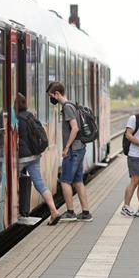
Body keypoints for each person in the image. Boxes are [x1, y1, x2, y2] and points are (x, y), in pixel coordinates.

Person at [46, 81, 93, 222]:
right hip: (80, 148)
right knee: (78, 181)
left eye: (51, 96)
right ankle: (85, 213)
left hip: (73, 150)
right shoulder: (73, 104)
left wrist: (66, 147)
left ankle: (70, 212)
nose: (51, 99)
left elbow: (75, 128)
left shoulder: (67, 107)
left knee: (65, 181)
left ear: (57, 94)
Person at [15, 93, 61, 225]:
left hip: (22, 157)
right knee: (40, 184)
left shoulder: (15, 118)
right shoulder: (30, 116)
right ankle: (54, 211)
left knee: (11, 183)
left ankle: (15, 212)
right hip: (35, 155)